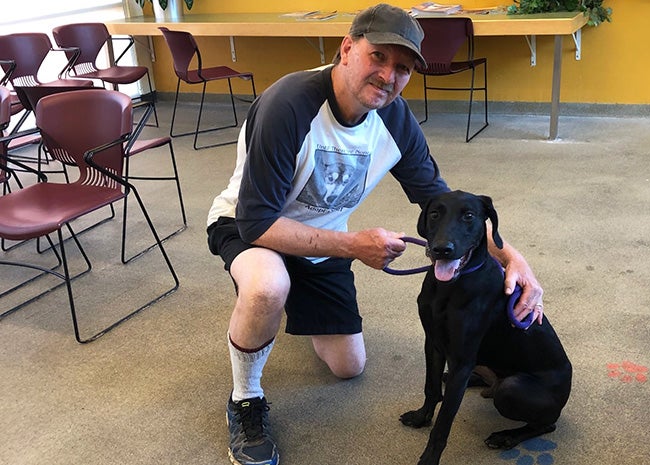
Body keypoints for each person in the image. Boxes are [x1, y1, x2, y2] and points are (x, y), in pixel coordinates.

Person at [206, 4, 545, 465]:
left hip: (321, 239)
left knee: (349, 367)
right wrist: (352, 246)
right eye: (378, 57)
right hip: (248, 225)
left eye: (402, 68)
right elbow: (257, 221)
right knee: (268, 287)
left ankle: (281, 304)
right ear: (347, 48)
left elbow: (444, 204)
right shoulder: (291, 102)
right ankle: (246, 397)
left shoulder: (395, 119)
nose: (388, 75)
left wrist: (512, 259)